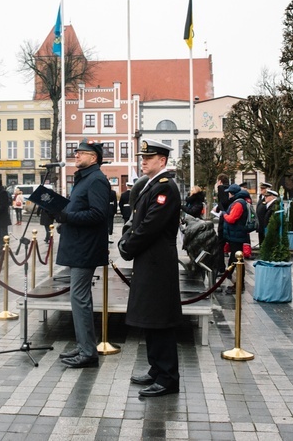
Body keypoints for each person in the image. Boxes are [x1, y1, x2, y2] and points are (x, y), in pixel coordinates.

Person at [118, 139, 182, 397]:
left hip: (158, 263)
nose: (143, 160)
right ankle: (157, 368)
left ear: (162, 161)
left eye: (149, 157)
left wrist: (127, 247)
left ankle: (168, 378)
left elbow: (150, 226)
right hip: (149, 261)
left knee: (161, 319)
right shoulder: (153, 185)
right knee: (151, 318)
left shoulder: (166, 187)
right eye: (142, 157)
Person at [55, 139, 110, 369]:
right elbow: (79, 208)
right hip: (79, 245)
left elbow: (98, 214)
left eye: (81, 153)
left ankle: (88, 352)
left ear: (94, 157)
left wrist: (68, 217)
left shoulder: (96, 179)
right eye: (75, 152)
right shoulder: (85, 178)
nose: (76, 155)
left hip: (85, 248)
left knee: (79, 299)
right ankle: (84, 345)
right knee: (78, 299)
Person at [219, 184, 253, 294]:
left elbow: (231, 219)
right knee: (234, 259)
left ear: (232, 193)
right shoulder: (239, 201)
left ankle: (239, 284)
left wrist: (224, 213)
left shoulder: (239, 203)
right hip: (234, 235)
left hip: (236, 236)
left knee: (237, 260)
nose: (228, 194)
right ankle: (234, 281)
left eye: (229, 192)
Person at [214, 174, 232, 277]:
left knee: (220, 244)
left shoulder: (221, 188)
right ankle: (230, 269)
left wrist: (219, 207)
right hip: (230, 218)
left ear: (220, 181)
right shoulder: (230, 188)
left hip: (224, 218)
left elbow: (223, 203)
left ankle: (221, 267)